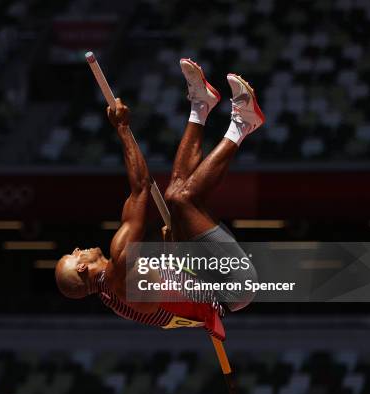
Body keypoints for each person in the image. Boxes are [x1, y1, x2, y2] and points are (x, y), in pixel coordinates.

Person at [54, 59, 264, 330]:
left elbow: (171, 296)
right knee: (181, 199)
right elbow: (141, 187)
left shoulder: (113, 298)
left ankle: (201, 105)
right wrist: (123, 130)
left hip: (203, 274)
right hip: (231, 285)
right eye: (72, 255)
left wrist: (170, 251)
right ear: (82, 268)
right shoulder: (119, 265)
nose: (76, 250)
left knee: (174, 192)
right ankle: (243, 123)